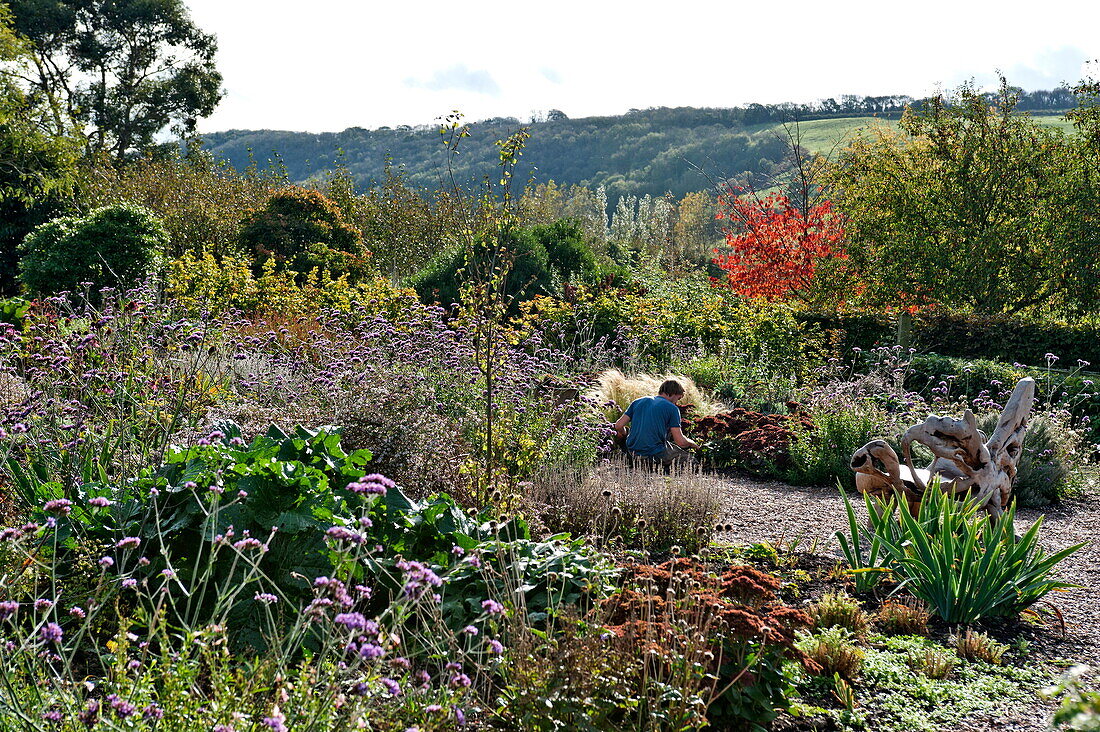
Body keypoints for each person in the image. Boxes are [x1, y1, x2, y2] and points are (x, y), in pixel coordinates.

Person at [613, 379, 699, 466]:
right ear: (674, 393)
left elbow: (618, 425)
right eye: (678, 398)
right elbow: (680, 442)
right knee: (691, 462)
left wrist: (624, 434)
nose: (677, 402)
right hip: (654, 453)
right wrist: (692, 443)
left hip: (632, 451)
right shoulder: (672, 408)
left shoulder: (638, 402)